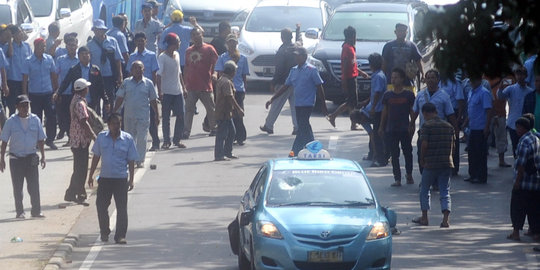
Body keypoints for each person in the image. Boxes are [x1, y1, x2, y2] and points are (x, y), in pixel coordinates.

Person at [265, 46, 329, 156]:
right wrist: (272, 99)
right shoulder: (293, 70)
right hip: (298, 104)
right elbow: (285, 86)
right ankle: (313, 148)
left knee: (302, 127)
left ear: (304, 57)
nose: (296, 58)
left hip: (308, 103)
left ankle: (294, 151)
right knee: (304, 127)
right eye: (295, 56)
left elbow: (319, 87)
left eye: (298, 56)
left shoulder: (311, 70)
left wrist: (323, 104)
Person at [88, 113, 138, 244]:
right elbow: (96, 157)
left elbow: (131, 161)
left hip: (121, 178)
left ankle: (120, 235)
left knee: (122, 208)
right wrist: (90, 175)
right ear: (108, 125)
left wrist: (131, 179)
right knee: (101, 205)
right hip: (105, 179)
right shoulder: (101, 138)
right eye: (114, 124)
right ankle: (104, 231)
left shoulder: (127, 139)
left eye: (118, 123)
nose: (117, 126)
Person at [0, 95, 46, 219]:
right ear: (16, 107)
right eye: (22, 105)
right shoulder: (11, 121)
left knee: (34, 186)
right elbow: (4, 141)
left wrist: (43, 156)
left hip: (31, 157)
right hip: (16, 158)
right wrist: (2, 158)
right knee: (18, 187)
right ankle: (20, 212)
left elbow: (41, 139)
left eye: (27, 105)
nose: (25, 108)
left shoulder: (35, 120)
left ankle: (36, 211)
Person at [413, 102, 454, 227]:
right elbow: (453, 145)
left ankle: (424, 217)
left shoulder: (426, 126)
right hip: (446, 163)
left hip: (430, 163)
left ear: (425, 113)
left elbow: (424, 144)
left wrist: (422, 159)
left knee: (424, 190)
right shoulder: (448, 126)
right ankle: (445, 219)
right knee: (444, 190)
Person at [410, 70, 458, 175]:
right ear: (425, 80)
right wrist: (411, 125)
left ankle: (436, 181)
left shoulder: (444, 96)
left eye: (433, 78)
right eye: (428, 78)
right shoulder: (420, 95)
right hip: (424, 130)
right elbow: (415, 112)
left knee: (437, 157)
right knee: (421, 154)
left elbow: (450, 114)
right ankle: (424, 178)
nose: (430, 80)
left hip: (439, 132)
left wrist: (455, 130)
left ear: (438, 80)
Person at [114, 61, 159, 168]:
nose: (138, 70)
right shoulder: (126, 83)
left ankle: (139, 160)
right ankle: (131, 159)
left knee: (142, 138)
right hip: (129, 116)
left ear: (144, 70)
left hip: (143, 116)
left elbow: (153, 100)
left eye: (140, 68)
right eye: (135, 68)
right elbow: (120, 98)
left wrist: (157, 114)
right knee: (129, 138)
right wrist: (115, 111)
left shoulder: (148, 83)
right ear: (131, 70)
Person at [327, 26, 369, 129]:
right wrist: (344, 80)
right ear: (352, 36)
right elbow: (345, 65)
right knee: (351, 102)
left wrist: (361, 72)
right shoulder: (347, 48)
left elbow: (352, 64)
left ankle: (351, 123)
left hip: (353, 76)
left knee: (351, 102)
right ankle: (334, 116)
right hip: (349, 78)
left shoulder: (351, 47)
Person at [260, 28, 300, 135]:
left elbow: (279, 69)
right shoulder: (297, 48)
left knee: (276, 105)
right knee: (295, 106)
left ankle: (268, 125)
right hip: (296, 82)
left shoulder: (282, 51)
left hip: (283, 83)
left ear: (282, 38)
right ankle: (297, 127)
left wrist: (273, 82)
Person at [379, 68, 415, 186]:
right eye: (392, 77)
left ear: (402, 79)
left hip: (404, 129)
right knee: (394, 154)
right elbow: (385, 112)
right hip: (391, 129)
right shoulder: (388, 95)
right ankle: (397, 178)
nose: (393, 80)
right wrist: (381, 127)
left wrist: (412, 125)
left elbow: (412, 112)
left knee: (408, 152)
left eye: (396, 77)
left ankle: (409, 174)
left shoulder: (408, 95)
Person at [506, 117, 540, 241]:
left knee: (517, 207)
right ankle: (535, 232)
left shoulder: (523, 141)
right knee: (534, 209)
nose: (516, 130)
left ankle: (516, 232)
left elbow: (521, 164)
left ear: (523, 128)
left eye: (518, 127)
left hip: (524, 181)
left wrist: (517, 182)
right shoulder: (535, 138)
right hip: (535, 181)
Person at [22, 38, 58, 150]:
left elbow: (53, 76)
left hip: (48, 93)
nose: (43, 48)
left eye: (44, 46)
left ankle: (50, 140)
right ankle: (38, 141)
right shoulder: (28, 61)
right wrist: (24, 95)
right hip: (35, 94)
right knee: (36, 119)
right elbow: (25, 79)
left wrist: (56, 91)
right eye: (41, 46)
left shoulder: (49, 59)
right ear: (35, 46)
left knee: (51, 117)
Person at [126, 32, 160, 151]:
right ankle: (134, 148)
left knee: (151, 117)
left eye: (142, 40)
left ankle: (155, 142)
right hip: (135, 90)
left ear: (146, 41)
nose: (140, 43)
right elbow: (129, 73)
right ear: (135, 42)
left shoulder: (151, 55)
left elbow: (155, 73)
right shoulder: (132, 57)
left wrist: (153, 89)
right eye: (138, 41)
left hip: (147, 88)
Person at [64, 79, 96, 204]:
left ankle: (71, 193)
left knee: (79, 168)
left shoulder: (76, 100)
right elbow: (84, 121)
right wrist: (93, 135)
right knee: (81, 169)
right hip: (80, 140)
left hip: (77, 139)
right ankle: (79, 193)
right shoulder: (79, 103)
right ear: (83, 89)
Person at [183, 28, 218, 138]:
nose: (196, 37)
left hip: (205, 85)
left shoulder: (209, 49)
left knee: (211, 109)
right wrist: (184, 85)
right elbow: (186, 68)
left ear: (202, 34)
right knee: (189, 110)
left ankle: (214, 128)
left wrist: (215, 74)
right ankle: (186, 132)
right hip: (191, 86)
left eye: (197, 34)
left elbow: (216, 64)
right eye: (193, 35)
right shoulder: (188, 50)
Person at [215, 34, 249, 145]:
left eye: (234, 42)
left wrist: (245, 89)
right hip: (226, 88)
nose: (232, 44)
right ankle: (231, 136)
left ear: (237, 43)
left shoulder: (243, 58)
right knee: (229, 114)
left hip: (238, 89)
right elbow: (220, 73)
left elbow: (244, 76)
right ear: (227, 43)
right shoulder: (222, 57)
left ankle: (240, 137)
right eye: (230, 42)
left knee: (238, 114)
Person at [56, 46, 108, 116]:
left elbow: (101, 86)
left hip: (92, 101)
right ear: (78, 56)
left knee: (93, 123)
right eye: (82, 54)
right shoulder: (74, 69)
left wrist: (106, 101)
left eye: (86, 54)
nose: (84, 56)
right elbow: (66, 83)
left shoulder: (95, 69)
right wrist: (58, 93)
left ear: (90, 55)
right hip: (78, 102)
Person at [87, 19, 123, 117]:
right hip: (95, 75)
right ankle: (97, 118)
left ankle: (109, 117)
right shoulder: (90, 44)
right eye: (96, 30)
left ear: (104, 30)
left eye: (100, 29)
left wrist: (120, 75)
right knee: (95, 98)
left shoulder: (112, 41)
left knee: (110, 97)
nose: (98, 32)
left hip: (109, 75)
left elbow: (117, 59)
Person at [157, 33, 187, 149]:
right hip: (167, 91)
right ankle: (166, 141)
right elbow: (158, 75)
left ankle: (177, 139)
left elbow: (179, 73)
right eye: (178, 42)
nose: (179, 44)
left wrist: (183, 88)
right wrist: (160, 92)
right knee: (166, 118)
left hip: (177, 90)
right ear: (172, 43)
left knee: (181, 115)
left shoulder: (177, 54)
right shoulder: (162, 57)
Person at [497, 66, 534, 156]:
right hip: (513, 123)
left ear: (526, 76)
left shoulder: (530, 91)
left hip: (526, 124)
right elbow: (500, 97)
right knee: (516, 148)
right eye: (518, 74)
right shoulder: (511, 89)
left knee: (526, 149)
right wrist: (500, 88)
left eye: (522, 74)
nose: (520, 77)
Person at [464, 75, 493, 184]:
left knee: (480, 154)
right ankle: (472, 175)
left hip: (481, 128)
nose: (471, 81)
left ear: (480, 80)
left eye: (474, 79)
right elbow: (471, 109)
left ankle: (481, 177)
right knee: (472, 153)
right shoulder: (471, 92)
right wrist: (466, 121)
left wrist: (487, 127)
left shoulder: (484, 93)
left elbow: (489, 111)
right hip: (472, 127)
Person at [360, 53, 386, 166]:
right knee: (374, 134)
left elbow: (377, 93)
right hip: (375, 106)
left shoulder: (379, 76)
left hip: (378, 109)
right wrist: (367, 101)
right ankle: (372, 154)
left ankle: (381, 159)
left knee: (377, 134)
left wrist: (373, 107)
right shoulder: (377, 75)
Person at [214, 60, 244, 161]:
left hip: (227, 112)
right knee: (222, 134)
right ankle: (219, 155)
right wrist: (238, 109)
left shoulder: (222, 79)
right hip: (223, 112)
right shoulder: (226, 82)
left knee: (231, 132)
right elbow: (229, 97)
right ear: (231, 71)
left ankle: (228, 152)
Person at [382, 23, 424, 89]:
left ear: (406, 32)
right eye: (399, 31)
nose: (401, 33)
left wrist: (422, 74)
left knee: (409, 98)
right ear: (395, 32)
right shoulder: (388, 46)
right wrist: (382, 77)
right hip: (391, 82)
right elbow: (384, 62)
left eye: (403, 31)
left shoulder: (411, 45)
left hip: (408, 82)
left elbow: (418, 60)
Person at [54, 36, 80, 144]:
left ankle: (71, 137)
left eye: (73, 45)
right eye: (69, 45)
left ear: (76, 46)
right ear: (66, 46)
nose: (72, 47)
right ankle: (65, 131)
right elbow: (55, 74)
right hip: (63, 92)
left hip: (76, 93)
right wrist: (57, 91)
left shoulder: (80, 59)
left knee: (74, 116)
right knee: (63, 116)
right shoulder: (60, 60)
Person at [439, 73, 466, 172]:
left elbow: (460, 101)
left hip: (453, 114)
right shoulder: (438, 81)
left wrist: (458, 118)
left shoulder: (455, 82)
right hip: (441, 114)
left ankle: (454, 167)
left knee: (453, 141)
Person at [4, 25, 32, 116]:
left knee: (24, 105)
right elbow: (9, 55)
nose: (21, 34)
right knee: (12, 107)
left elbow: (31, 61)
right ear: (14, 35)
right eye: (19, 32)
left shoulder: (27, 46)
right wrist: (9, 41)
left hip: (25, 80)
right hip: (13, 80)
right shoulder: (7, 47)